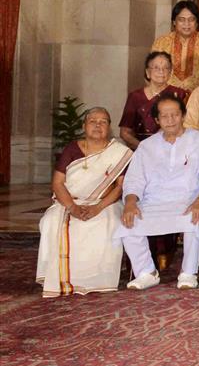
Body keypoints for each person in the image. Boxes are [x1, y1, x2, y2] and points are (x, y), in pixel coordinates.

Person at [114, 94, 199, 290]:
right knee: (128, 222)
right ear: (157, 120)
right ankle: (147, 272)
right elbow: (135, 180)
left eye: (175, 115)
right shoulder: (146, 146)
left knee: (194, 219)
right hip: (153, 201)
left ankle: (188, 273)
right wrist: (130, 202)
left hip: (190, 199)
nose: (170, 120)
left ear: (183, 116)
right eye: (164, 116)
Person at [36, 107, 133, 297]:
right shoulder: (72, 148)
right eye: (93, 121)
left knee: (108, 223)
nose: (98, 125)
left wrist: (98, 207)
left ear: (109, 127)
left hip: (105, 203)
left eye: (103, 121)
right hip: (70, 202)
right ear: (84, 125)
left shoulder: (120, 153)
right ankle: (58, 276)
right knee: (50, 221)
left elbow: (120, 187)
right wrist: (71, 207)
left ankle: (97, 277)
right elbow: (57, 183)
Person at [118, 51, 188, 148]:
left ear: (170, 72)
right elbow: (124, 133)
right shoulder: (135, 96)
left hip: (172, 147)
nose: (161, 71)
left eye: (166, 68)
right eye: (156, 68)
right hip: (140, 148)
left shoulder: (179, 94)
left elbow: (184, 127)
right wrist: (145, 149)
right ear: (147, 72)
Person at [151, 0, 199, 91]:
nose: (187, 24)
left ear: (197, 22)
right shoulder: (161, 43)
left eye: (191, 19)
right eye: (181, 20)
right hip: (166, 98)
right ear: (174, 22)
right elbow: (153, 72)